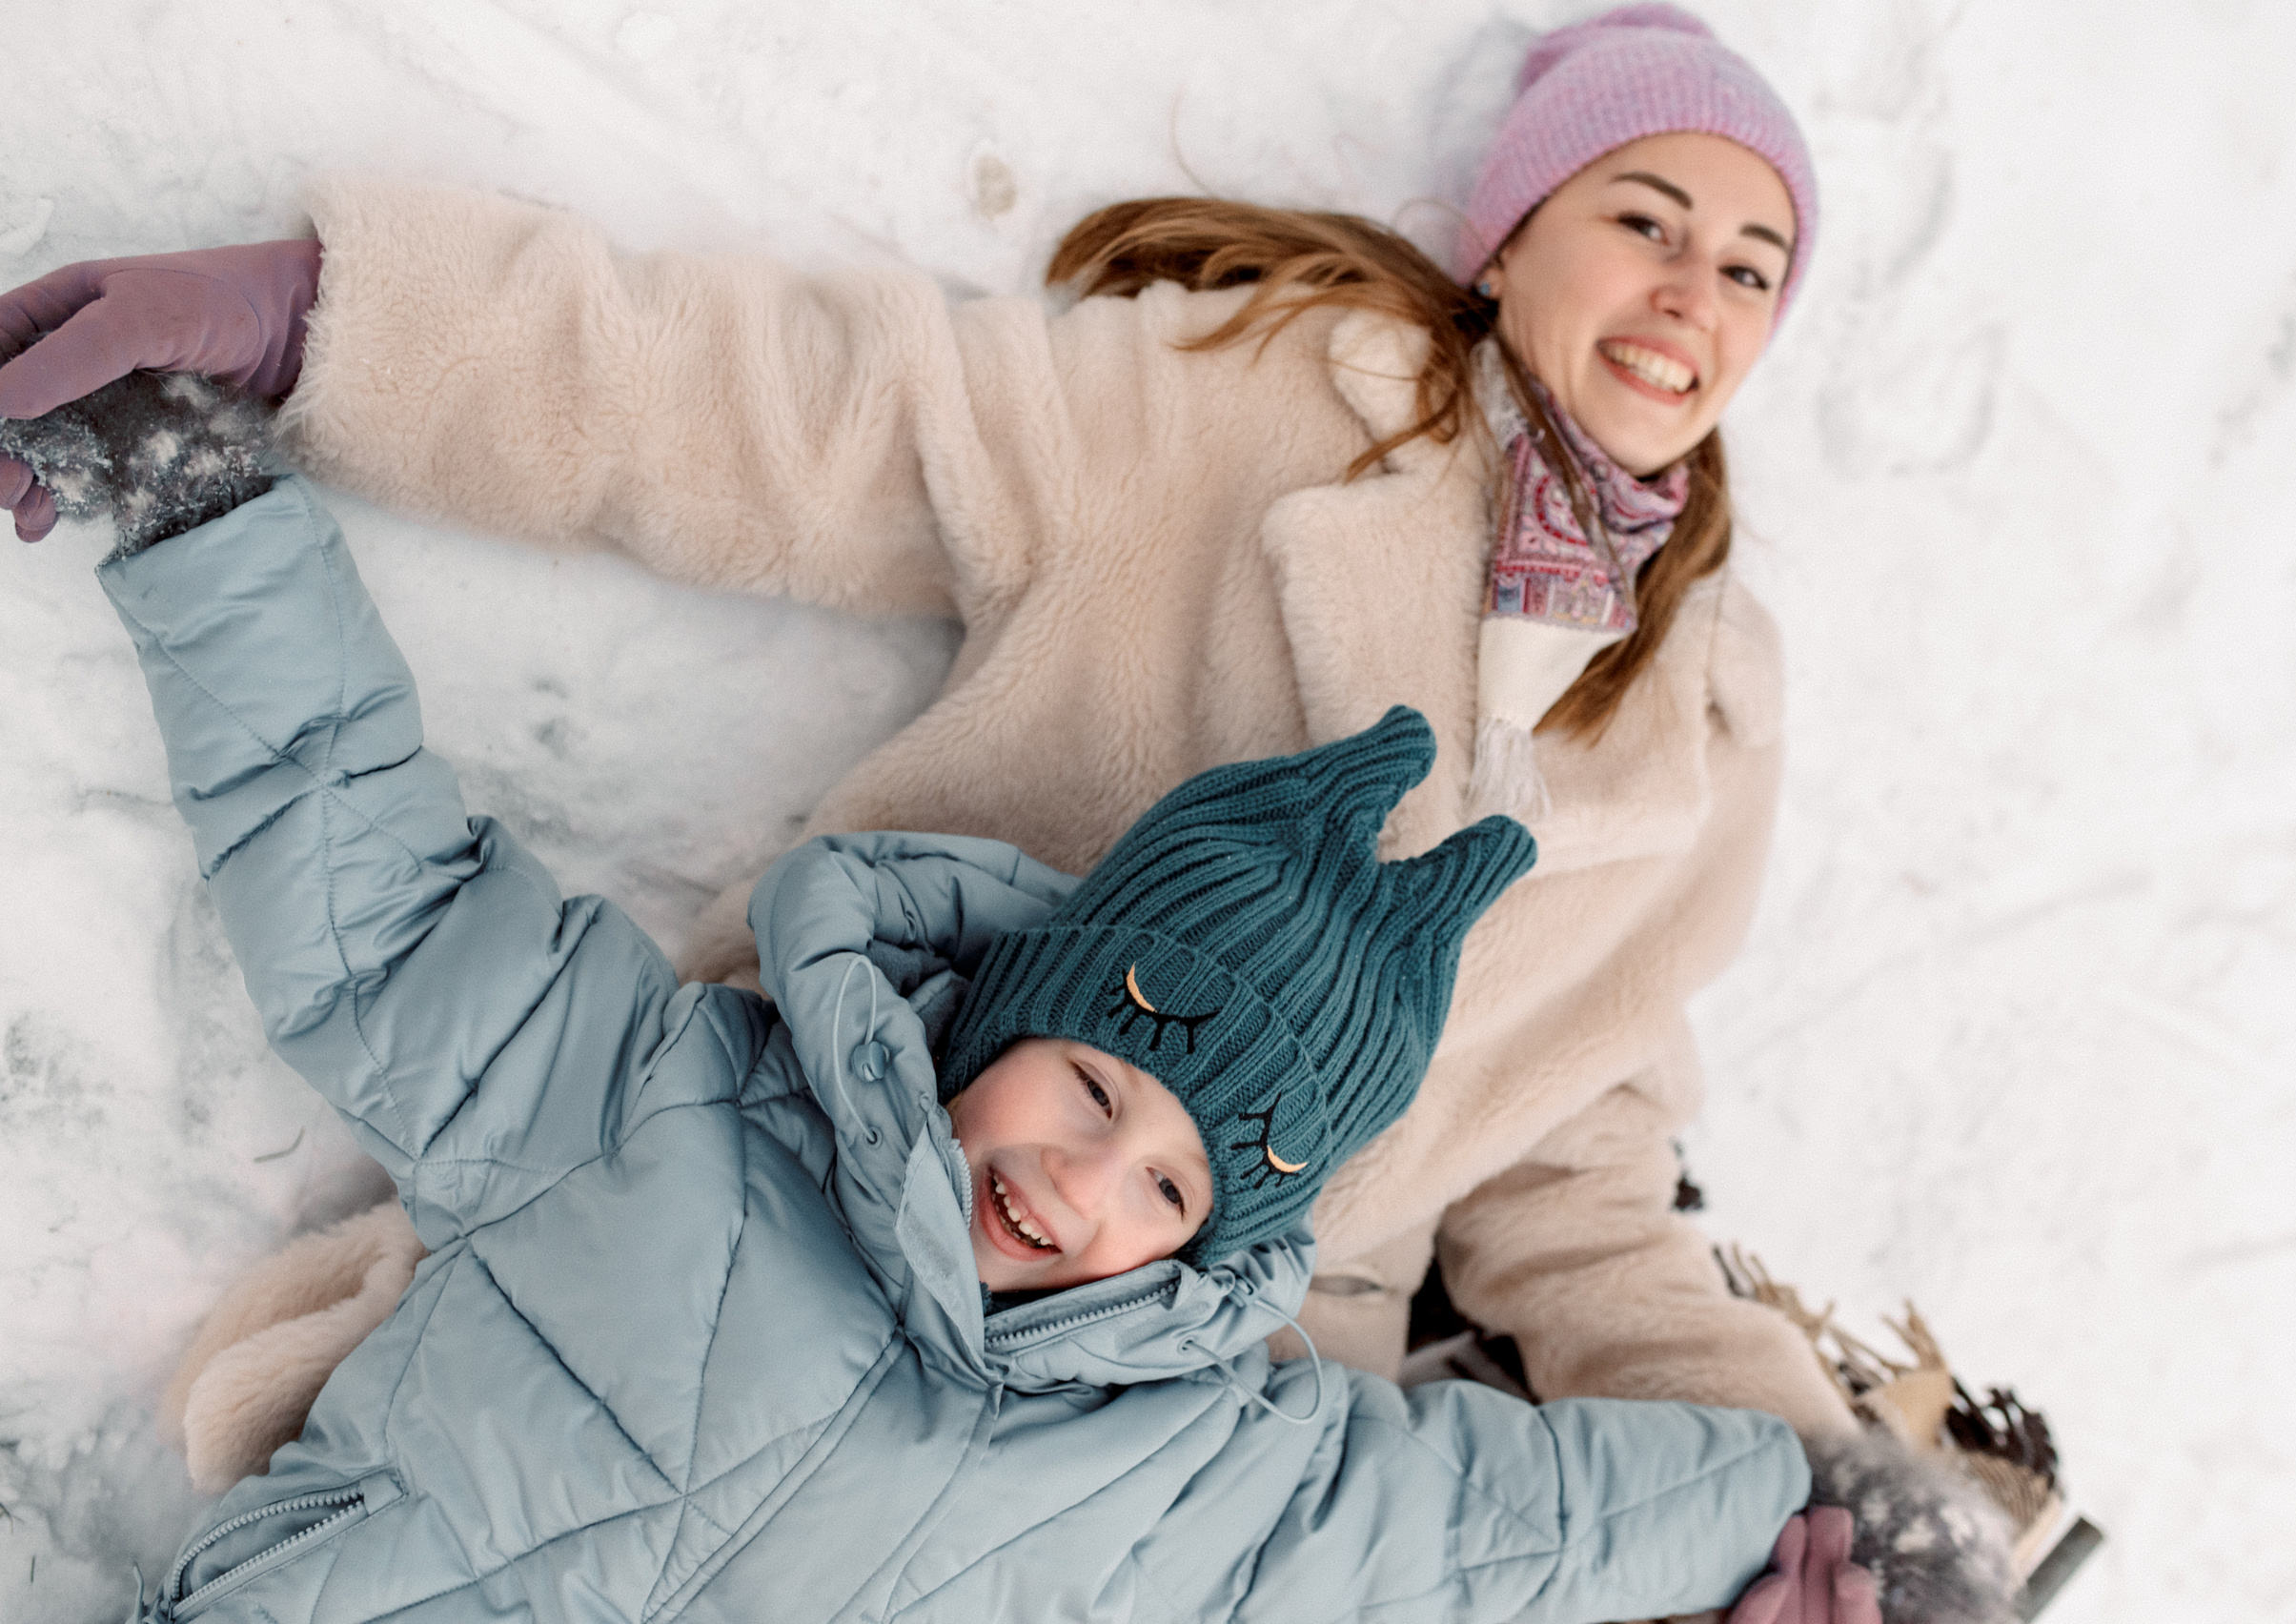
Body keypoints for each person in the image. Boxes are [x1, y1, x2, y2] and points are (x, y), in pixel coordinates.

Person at [2, 0, 1863, 1492]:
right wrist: (323, 327)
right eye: (1644, 217)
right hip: (830, 1209)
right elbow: (806, 417)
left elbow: (1574, 1158)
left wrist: (1809, 1498)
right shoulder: (1258, 416)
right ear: (1512, 229)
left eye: (1750, 265)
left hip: (1168, 1445)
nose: (1692, 290)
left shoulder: (1703, 708)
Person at [53, 414, 1879, 1620]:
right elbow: (388, 904)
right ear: (1007, 1007)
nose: (1090, 1181)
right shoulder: (655, 1110)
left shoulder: (1201, 1472)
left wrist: (1812, 1508)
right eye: (1093, 1084)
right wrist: (212, 526)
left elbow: (1497, 1532)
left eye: (1175, 1191)